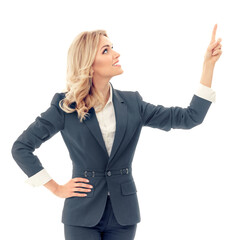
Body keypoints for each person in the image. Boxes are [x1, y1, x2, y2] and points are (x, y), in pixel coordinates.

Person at [11, 24, 222, 240]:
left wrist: (208, 66)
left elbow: (190, 118)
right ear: (89, 64)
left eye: (112, 47)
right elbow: (21, 148)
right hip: (81, 214)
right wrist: (56, 188)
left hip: (123, 215)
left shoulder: (133, 103)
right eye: (106, 50)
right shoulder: (66, 106)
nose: (116, 53)